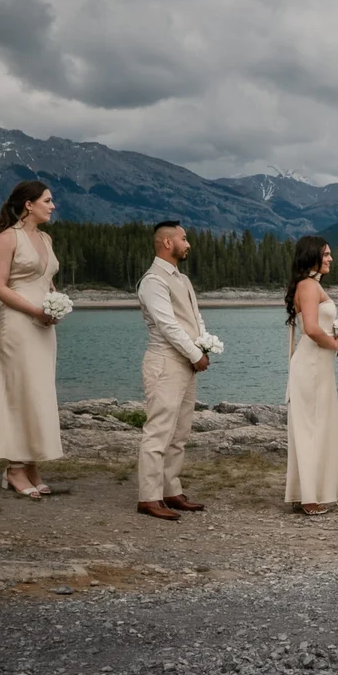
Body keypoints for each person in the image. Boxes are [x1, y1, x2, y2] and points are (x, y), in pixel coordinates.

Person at [0, 180, 64, 498]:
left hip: (43, 327)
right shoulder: (8, 238)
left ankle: (32, 464)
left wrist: (55, 303)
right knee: (19, 393)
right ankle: (15, 468)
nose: (53, 206)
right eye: (47, 200)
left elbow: (46, 280)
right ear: (29, 205)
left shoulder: (46, 238)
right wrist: (35, 310)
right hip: (18, 325)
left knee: (39, 393)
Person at [135, 221, 211, 521]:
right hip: (165, 362)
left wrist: (203, 345)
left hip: (186, 363)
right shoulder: (153, 281)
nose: (188, 243)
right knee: (159, 431)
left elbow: (195, 317)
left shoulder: (183, 279)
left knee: (180, 432)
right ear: (167, 242)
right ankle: (148, 497)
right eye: (184, 238)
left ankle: (170, 490)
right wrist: (194, 354)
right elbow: (167, 325)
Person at [284, 236, 338, 515]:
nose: (330, 259)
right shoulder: (309, 286)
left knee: (315, 427)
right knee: (311, 429)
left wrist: (336, 336)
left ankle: (306, 492)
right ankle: (309, 498)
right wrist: (335, 343)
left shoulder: (311, 284)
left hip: (319, 367)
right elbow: (311, 329)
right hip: (311, 366)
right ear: (311, 256)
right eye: (326, 254)